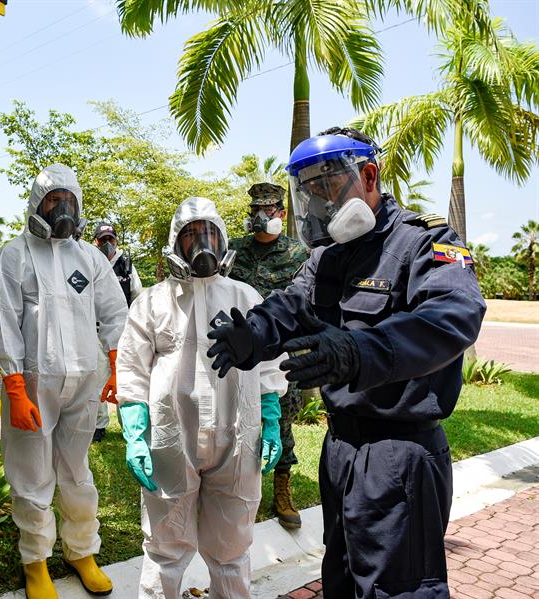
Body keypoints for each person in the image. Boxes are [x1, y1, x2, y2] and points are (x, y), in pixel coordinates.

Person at [207, 127, 486, 597]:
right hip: (340, 451)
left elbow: (454, 316)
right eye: (309, 192)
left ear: (369, 176)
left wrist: (360, 352)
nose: (318, 204)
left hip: (398, 452)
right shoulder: (329, 257)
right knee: (341, 580)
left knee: (395, 589)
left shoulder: (424, 242)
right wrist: (252, 334)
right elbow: (292, 305)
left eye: (328, 188)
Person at [117, 197, 288, 599]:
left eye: (208, 233)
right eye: (190, 235)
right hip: (170, 439)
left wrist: (270, 414)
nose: (200, 244)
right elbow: (132, 368)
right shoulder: (152, 302)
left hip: (238, 436)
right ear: (175, 244)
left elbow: (268, 363)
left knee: (232, 547)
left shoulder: (245, 297)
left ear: (222, 238)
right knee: (165, 548)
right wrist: (135, 431)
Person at [0, 164, 128, 599]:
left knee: (77, 471)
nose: (63, 208)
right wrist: (13, 386)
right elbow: (5, 324)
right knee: (32, 478)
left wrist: (115, 359)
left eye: (70, 200)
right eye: (54, 200)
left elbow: (114, 310)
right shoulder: (13, 255)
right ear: (37, 204)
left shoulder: (88, 256)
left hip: (83, 384)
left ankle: (82, 551)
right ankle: (36, 563)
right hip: (32, 385)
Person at [227, 182, 309, 529]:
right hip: (238, 349)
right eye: (254, 210)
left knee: (283, 421)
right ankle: (232, 487)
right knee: (231, 417)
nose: (261, 216)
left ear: (282, 213)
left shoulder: (297, 254)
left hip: (281, 352)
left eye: (269, 209)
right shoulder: (233, 249)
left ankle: (282, 490)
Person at [92, 221, 143, 442]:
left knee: (125, 379)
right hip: (94, 331)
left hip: (123, 332)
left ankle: (128, 425)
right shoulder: (89, 262)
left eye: (110, 239)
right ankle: (98, 425)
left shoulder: (127, 265)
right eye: (102, 240)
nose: (106, 244)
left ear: (116, 241)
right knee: (97, 379)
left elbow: (138, 297)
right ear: (95, 242)